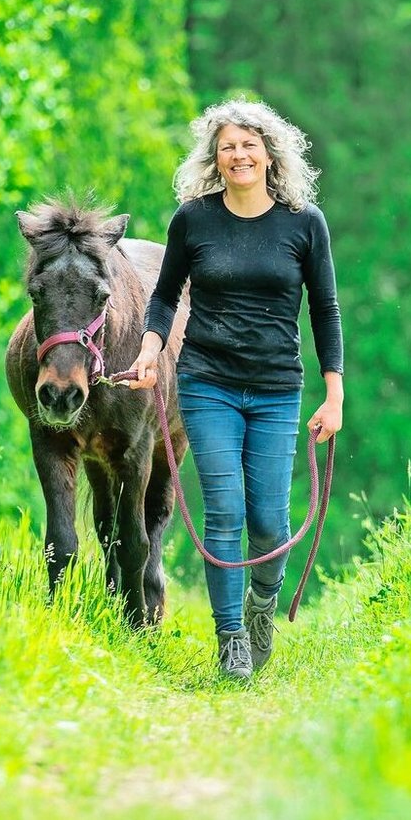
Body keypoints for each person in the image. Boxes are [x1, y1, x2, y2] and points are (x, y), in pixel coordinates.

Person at [127, 98, 344, 680]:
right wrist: (150, 353)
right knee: (224, 513)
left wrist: (334, 395)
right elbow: (165, 296)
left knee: (270, 522)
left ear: (270, 153)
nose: (239, 155)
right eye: (228, 146)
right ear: (214, 158)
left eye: (249, 144)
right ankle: (231, 642)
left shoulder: (304, 223)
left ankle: (260, 606)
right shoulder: (193, 220)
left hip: (276, 388)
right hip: (207, 383)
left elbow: (323, 309)